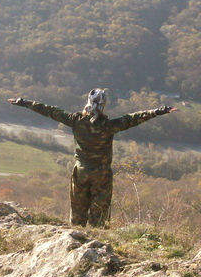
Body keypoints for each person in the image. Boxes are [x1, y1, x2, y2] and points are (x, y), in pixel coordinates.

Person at [9, 89, 176, 227]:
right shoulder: (109, 126)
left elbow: (50, 111)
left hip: (81, 171)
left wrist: (24, 102)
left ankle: (76, 238)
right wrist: (157, 112)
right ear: (103, 106)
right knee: (100, 212)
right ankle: (98, 239)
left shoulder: (76, 121)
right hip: (102, 173)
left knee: (78, 210)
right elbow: (133, 118)